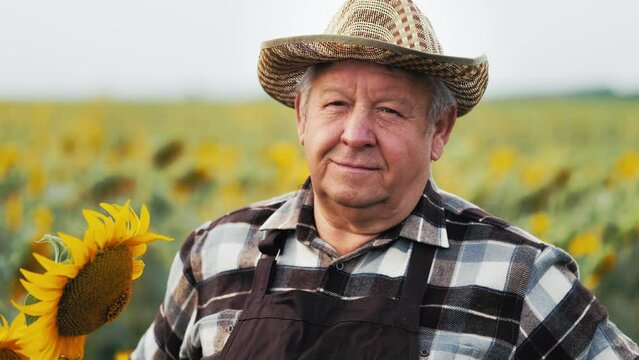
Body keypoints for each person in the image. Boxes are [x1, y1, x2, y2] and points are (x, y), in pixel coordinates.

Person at [132, 0, 639, 358]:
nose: (356, 134)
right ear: (301, 117)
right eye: (335, 104)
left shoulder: (517, 277)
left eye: (390, 110)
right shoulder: (216, 253)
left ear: (437, 130)